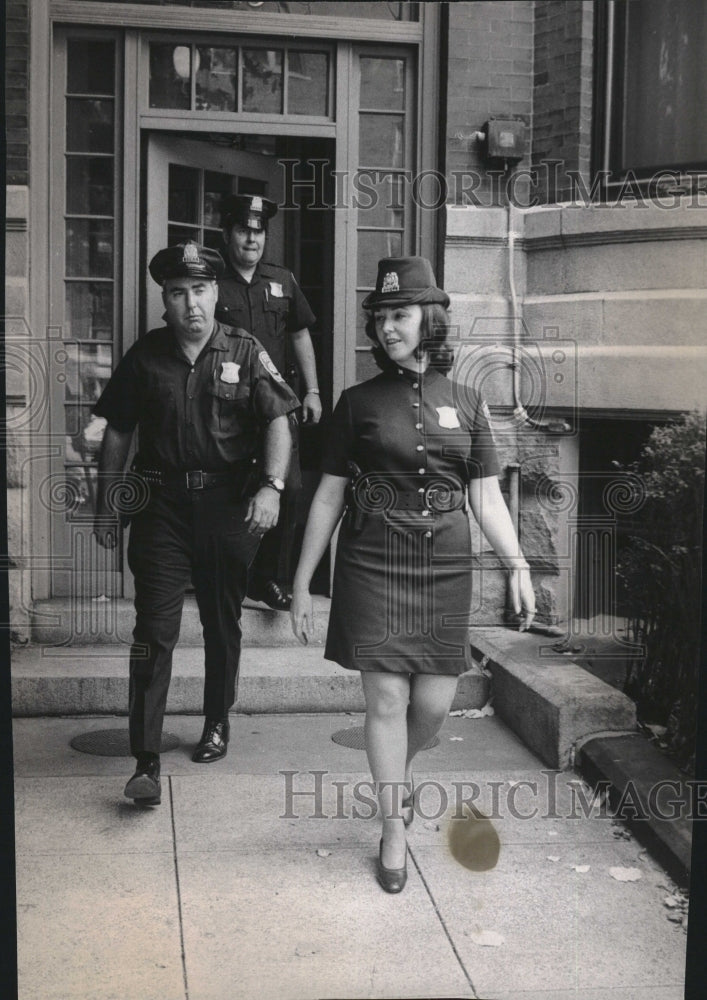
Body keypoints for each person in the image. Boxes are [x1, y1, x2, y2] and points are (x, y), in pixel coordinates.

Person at [291, 256, 535, 893]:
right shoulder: (356, 404)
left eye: (399, 315)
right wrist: (302, 581)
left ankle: (396, 772)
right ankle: (393, 828)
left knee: (433, 704)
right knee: (386, 700)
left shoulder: (469, 401)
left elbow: (485, 498)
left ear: (430, 320)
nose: (387, 327)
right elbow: (328, 496)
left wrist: (517, 564)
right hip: (372, 566)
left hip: (445, 570)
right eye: (381, 317)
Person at [92, 240, 299, 805]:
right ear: (166, 299)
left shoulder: (245, 349)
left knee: (220, 622)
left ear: (215, 292)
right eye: (179, 292)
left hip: (227, 507)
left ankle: (216, 720)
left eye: (200, 290)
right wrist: (107, 503)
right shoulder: (146, 356)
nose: (191, 304)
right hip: (160, 508)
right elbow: (118, 429)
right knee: (152, 631)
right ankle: (145, 759)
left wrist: (272, 486)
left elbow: (279, 419)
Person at [216, 193, 321, 611]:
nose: (252, 239)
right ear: (228, 233)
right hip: (227, 406)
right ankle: (227, 575)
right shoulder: (212, 281)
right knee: (229, 489)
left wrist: (312, 390)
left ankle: (268, 579)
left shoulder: (282, 280)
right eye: (244, 230)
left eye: (258, 232)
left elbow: (300, 334)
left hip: (277, 405)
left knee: (287, 488)